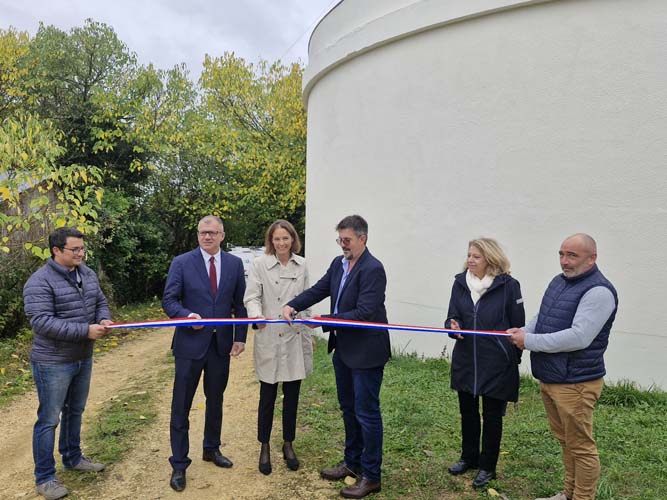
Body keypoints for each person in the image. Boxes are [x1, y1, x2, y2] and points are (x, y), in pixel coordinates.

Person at [282, 214, 390, 499]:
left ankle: (371, 475)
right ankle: (352, 462)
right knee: (348, 407)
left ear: (362, 238)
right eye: (339, 239)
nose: (342, 245)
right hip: (343, 350)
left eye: (347, 240)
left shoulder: (373, 269)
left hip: (367, 352)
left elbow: (364, 313)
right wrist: (293, 304)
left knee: (367, 413)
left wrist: (323, 320)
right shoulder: (338, 264)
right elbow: (320, 289)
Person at [508, 233, 618, 500]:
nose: (564, 262)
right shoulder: (559, 282)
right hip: (553, 377)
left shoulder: (599, 292)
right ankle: (568, 494)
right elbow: (542, 317)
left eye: (572, 256)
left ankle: (582, 497)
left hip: (576, 382)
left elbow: (579, 337)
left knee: (581, 447)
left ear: (592, 259)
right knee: (566, 442)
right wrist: (522, 331)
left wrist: (529, 341)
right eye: (561, 254)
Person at [23, 227, 112, 500]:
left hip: (82, 357)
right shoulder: (39, 282)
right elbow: (42, 322)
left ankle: (73, 458)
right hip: (53, 362)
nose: (81, 254)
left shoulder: (86, 273)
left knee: (76, 411)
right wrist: (85, 330)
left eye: (82, 249)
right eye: (75, 249)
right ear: (56, 251)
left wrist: (104, 318)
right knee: (49, 419)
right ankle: (45, 478)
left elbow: (100, 302)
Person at [162, 215, 248, 492]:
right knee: (181, 405)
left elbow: (240, 305)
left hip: (220, 345)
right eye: (202, 232)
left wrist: (240, 338)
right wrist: (186, 315)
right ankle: (179, 462)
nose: (207, 237)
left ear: (222, 235)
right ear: (197, 235)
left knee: (216, 399)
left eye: (212, 232)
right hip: (190, 345)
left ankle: (211, 448)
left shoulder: (235, 264)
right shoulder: (182, 263)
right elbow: (169, 300)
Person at [444, 238, 525, 489]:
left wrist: (513, 358)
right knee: (467, 412)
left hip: (496, 362)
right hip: (467, 360)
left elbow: (517, 325)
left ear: (490, 259)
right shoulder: (459, 283)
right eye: (469, 255)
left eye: (476, 256)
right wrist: (452, 326)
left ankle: (488, 466)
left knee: (492, 416)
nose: (470, 260)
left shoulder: (509, 286)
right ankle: (469, 457)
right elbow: (451, 317)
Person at [243, 219, 314, 475]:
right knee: (267, 397)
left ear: (293, 239)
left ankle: (288, 443)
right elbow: (251, 296)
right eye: (277, 239)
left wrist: (308, 324)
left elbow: (308, 297)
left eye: (286, 238)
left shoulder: (303, 264)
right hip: (270, 337)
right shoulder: (260, 264)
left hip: (295, 338)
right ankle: (264, 445)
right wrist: (256, 316)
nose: (281, 243)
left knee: (292, 396)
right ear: (270, 242)